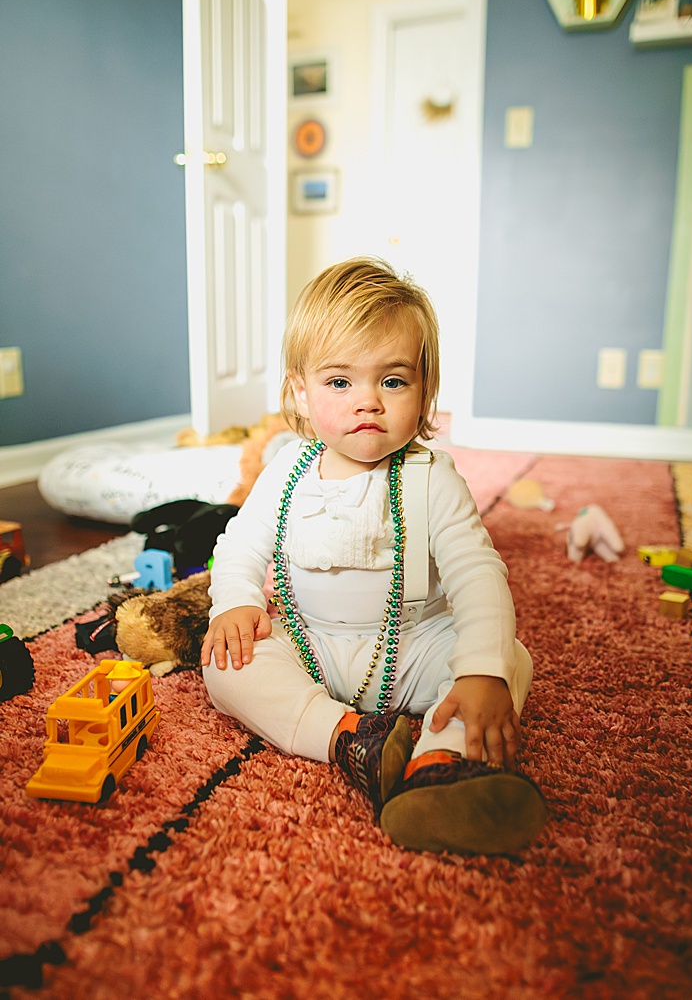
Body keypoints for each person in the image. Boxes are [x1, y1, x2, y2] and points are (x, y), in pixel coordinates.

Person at [201, 257, 548, 856]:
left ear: (424, 392)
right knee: (226, 666)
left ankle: (438, 764)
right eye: (340, 382)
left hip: (412, 643)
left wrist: (479, 669)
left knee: (508, 659)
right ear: (299, 393)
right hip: (311, 642)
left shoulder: (430, 475)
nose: (368, 402)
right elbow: (239, 544)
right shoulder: (286, 469)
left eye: (392, 381)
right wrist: (232, 603)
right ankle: (350, 739)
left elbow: (476, 571)